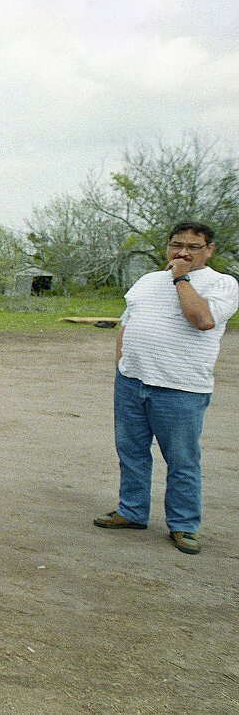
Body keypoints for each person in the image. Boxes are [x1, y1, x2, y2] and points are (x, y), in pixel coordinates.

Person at [94, 222, 238, 555]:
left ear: (210, 250)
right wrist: (122, 366)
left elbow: (201, 319)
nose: (183, 252)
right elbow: (127, 323)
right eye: (177, 245)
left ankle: (184, 525)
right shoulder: (146, 281)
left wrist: (180, 277)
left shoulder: (223, 284)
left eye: (193, 247)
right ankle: (131, 511)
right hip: (132, 383)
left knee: (182, 459)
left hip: (181, 389)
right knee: (131, 451)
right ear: (167, 245)